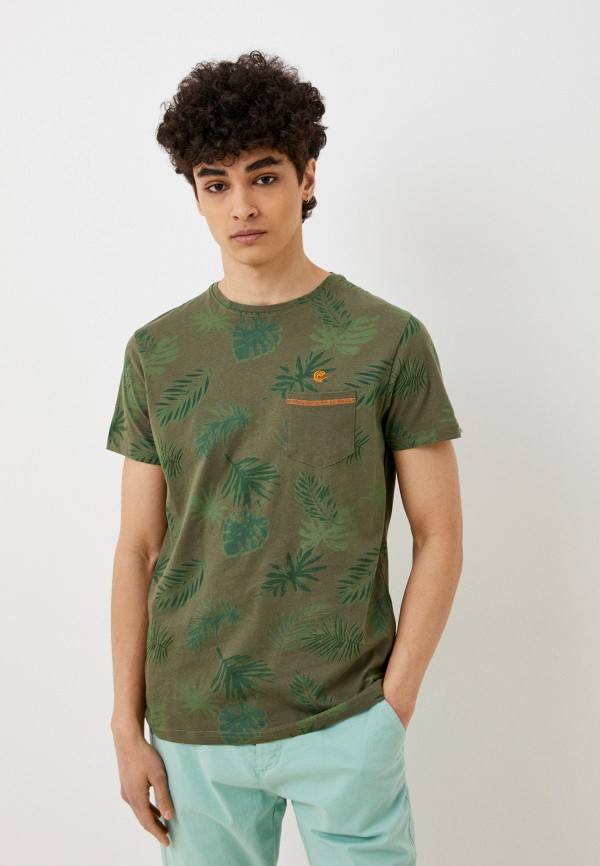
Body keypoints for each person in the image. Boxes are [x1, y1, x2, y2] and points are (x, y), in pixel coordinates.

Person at [106, 49, 463, 866]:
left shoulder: (388, 339)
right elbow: (138, 548)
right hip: (193, 724)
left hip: (345, 717)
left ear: (307, 177)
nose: (242, 205)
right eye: (216, 184)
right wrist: (127, 726)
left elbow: (439, 533)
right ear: (195, 196)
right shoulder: (158, 352)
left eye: (264, 176)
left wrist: (394, 704)